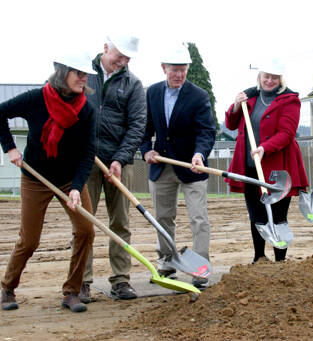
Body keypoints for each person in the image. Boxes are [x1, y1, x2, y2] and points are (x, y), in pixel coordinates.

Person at [0, 53, 97, 312]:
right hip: (35, 178)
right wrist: (9, 148)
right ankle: (7, 287)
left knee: (86, 230)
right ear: (62, 72)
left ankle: (72, 291)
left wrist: (77, 186)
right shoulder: (36, 99)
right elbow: (0, 114)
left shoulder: (86, 109)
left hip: (68, 180)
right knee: (29, 240)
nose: (83, 78)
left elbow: (88, 151)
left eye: (85, 74)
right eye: (78, 72)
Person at [76, 35, 147, 302]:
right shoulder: (83, 75)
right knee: (84, 222)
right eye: (120, 55)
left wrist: (119, 158)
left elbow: (137, 125)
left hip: (119, 163)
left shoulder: (133, 84)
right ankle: (81, 281)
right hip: (85, 162)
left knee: (120, 222)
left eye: (128, 58)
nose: (123, 61)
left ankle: (121, 280)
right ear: (105, 48)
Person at [140, 44, 216, 288]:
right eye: (174, 70)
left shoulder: (198, 95)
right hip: (162, 166)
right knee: (163, 217)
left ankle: (200, 268)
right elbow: (144, 129)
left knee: (199, 219)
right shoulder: (151, 93)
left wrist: (199, 155)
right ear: (164, 68)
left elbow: (206, 131)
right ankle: (166, 261)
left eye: (183, 70)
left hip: (193, 167)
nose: (179, 75)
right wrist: (145, 150)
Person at [225, 59, 308, 263]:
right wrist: (236, 106)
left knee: (278, 216)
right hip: (250, 166)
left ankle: (280, 260)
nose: (269, 81)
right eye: (266, 76)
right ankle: (259, 258)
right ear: (260, 76)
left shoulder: (289, 100)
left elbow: (287, 133)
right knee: (257, 216)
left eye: (274, 77)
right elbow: (231, 123)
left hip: (278, 168)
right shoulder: (249, 97)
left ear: (281, 79)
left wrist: (265, 148)